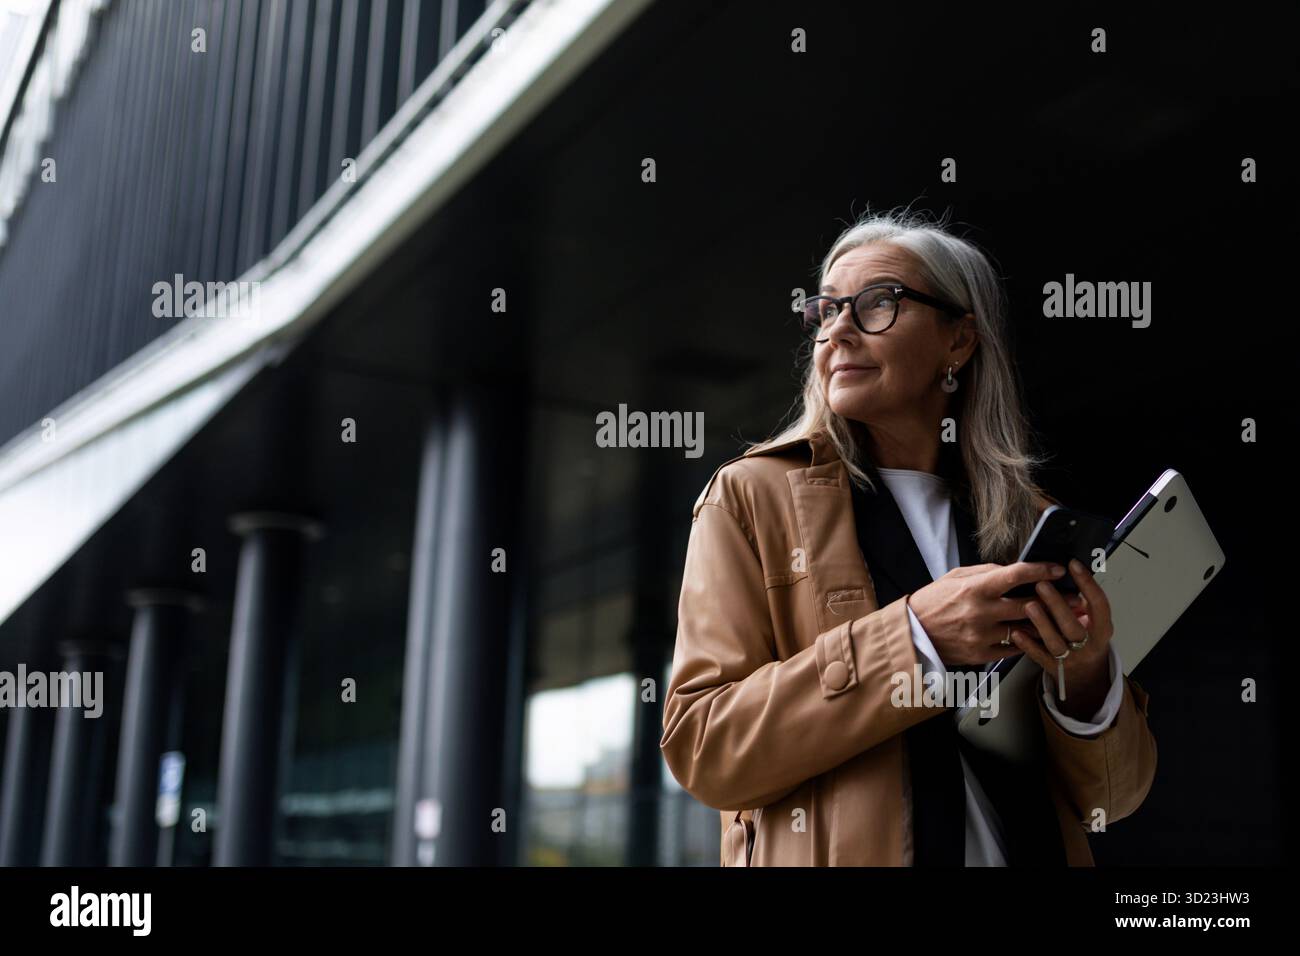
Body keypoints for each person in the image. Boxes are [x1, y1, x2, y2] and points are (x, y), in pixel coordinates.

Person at [659, 209, 1157, 866]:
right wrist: (916, 639)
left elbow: (1112, 801)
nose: (837, 329)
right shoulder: (752, 496)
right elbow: (704, 747)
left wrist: (1089, 679)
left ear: (959, 341)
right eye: (827, 309)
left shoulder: (1030, 523)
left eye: (877, 304)